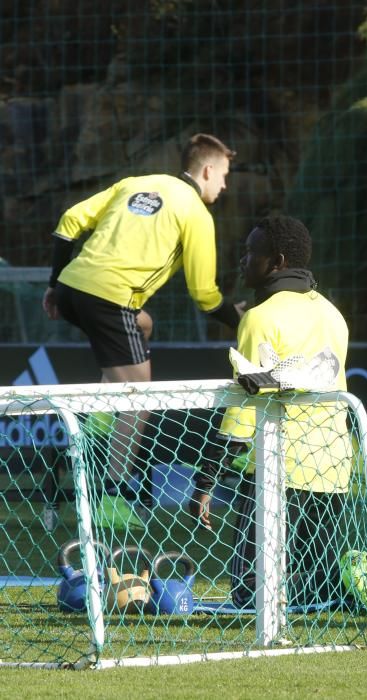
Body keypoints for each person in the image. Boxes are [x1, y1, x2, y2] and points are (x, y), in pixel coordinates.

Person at [42, 133, 242, 528]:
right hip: (110, 301)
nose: (225, 185)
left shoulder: (136, 183)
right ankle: (111, 499)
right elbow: (204, 295)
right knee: (140, 399)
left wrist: (54, 284)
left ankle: (98, 420)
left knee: (144, 324)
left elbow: (69, 223)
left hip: (71, 288)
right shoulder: (197, 214)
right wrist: (240, 319)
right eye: (224, 175)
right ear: (206, 170)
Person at [190, 215, 350, 608]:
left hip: (277, 467)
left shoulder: (260, 318)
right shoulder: (332, 314)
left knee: (250, 594)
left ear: (276, 261)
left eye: (250, 253)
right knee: (316, 594)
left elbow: (242, 413)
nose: (243, 260)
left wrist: (205, 481)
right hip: (332, 468)